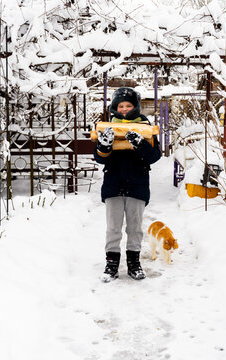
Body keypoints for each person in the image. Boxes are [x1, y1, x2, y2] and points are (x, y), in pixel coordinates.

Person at [94, 87, 162, 282]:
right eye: (120, 106)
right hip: (113, 184)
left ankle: (134, 263)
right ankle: (111, 264)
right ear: (115, 108)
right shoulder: (107, 127)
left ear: (136, 107)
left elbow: (154, 156)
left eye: (128, 105)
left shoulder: (145, 127)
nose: (124, 109)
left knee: (135, 227)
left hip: (137, 184)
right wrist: (104, 145)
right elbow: (99, 158)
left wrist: (140, 144)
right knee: (113, 227)